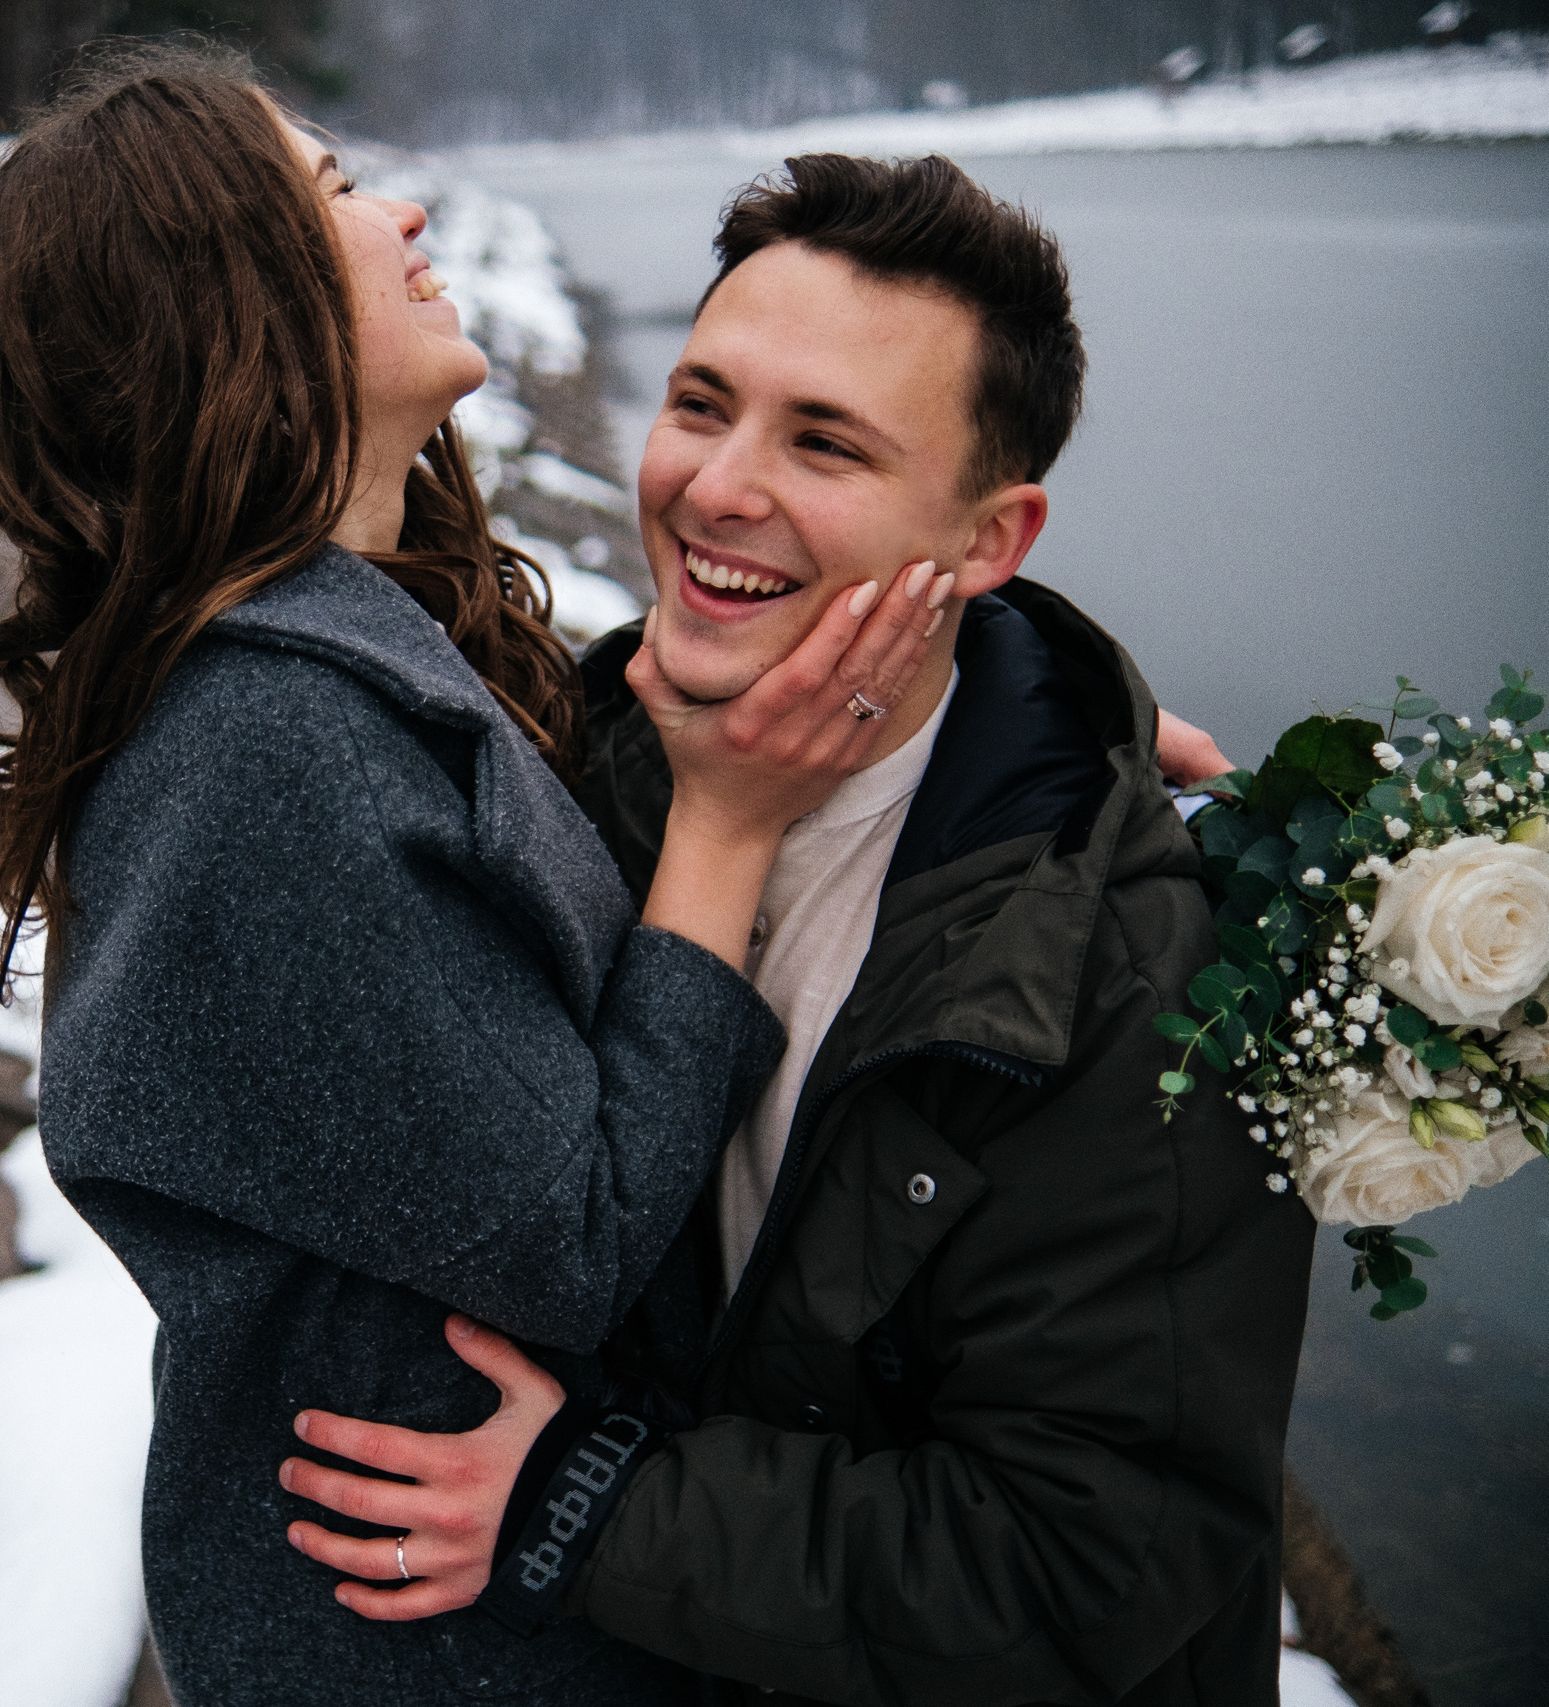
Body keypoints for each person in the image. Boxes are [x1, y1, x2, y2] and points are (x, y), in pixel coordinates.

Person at [0, 49, 954, 1707]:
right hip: (437, 1649)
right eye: (336, 192)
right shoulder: (268, 750)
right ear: (234, 302)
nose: (406, 207)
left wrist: (1006, 737)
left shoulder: (326, 651)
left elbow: (580, 774)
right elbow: (575, 1234)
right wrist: (725, 833)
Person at [280, 153, 1316, 1706]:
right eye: (701, 403)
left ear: (986, 543)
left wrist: (597, 1505)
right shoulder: (563, 762)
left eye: (822, 442)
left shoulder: (1141, 977)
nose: (716, 486)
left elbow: (1084, 1554)